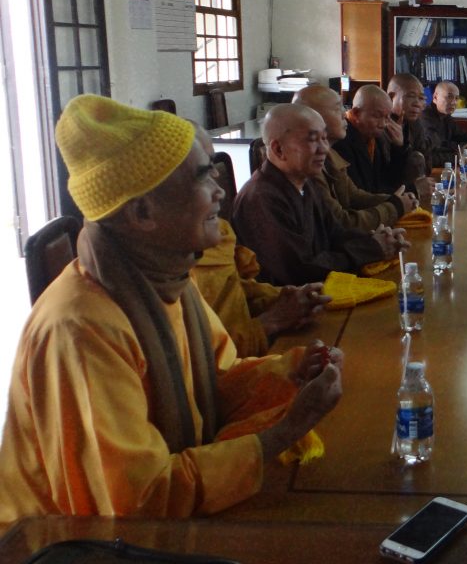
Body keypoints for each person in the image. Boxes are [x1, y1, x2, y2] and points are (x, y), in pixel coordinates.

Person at [0, 95, 342, 521]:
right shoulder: (82, 328)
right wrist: (281, 434)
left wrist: (292, 370)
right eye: (203, 177)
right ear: (143, 212)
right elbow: (139, 498)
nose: (220, 191)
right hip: (61, 542)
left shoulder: (167, 280)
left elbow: (216, 380)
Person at [190, 125, 330, 357]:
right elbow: (205, 361)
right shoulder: (260, 198)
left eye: (213, 167)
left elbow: (236, 292)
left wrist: (281, 299)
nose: (219, 190)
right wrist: (272, 320)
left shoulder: (217, 232)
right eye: (201, 173)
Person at [233, 103, 408, 286]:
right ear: (278, 149)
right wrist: (370, 249)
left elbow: (335, 233)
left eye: (324, 138)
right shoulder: (262, 198)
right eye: (312, 140)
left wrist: (378, 240)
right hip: (292, 298)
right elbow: (300, 271)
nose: (324, 148)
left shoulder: (305, 183)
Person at [293, 85, 418, 230]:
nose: (344, 113)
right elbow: (340, 223)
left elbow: (354, 195)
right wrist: (395, 206)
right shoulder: (308, 165)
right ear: (311, 116)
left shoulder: (331, 154)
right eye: (337, 108)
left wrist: (397, 200)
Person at [334, 84, 414, 194]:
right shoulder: (342, 140)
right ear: (356, 113)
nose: (383, 124)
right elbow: (362, 192)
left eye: (387, 117)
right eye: (377, 116)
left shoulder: (375, 138)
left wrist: (398, 148)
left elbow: (389, 181)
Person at [421, 80, 467, 168]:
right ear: (435, 97)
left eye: (456, 98)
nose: (454, 102)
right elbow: (437, 147)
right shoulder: (425, 117)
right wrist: (459, 154)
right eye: (449, 97)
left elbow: (463, 136)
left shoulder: (446, 117)